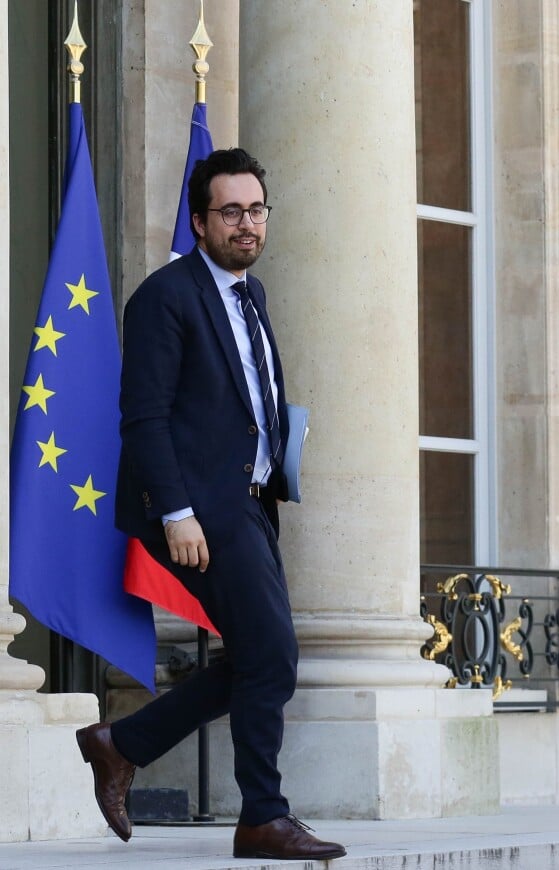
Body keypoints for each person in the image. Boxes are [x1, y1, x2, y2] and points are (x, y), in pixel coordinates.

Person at [75, 148, 346, 862]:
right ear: (200, 222)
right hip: (201, 509)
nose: (246, 224)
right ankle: (263, 815)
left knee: (262, 658)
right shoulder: (166, 297)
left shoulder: (251, 295)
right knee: (274, 656)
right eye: (230, 211)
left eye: (256, 209)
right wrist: (175, 512)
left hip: (251, 504)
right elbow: (144, 418)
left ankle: (121, 743)